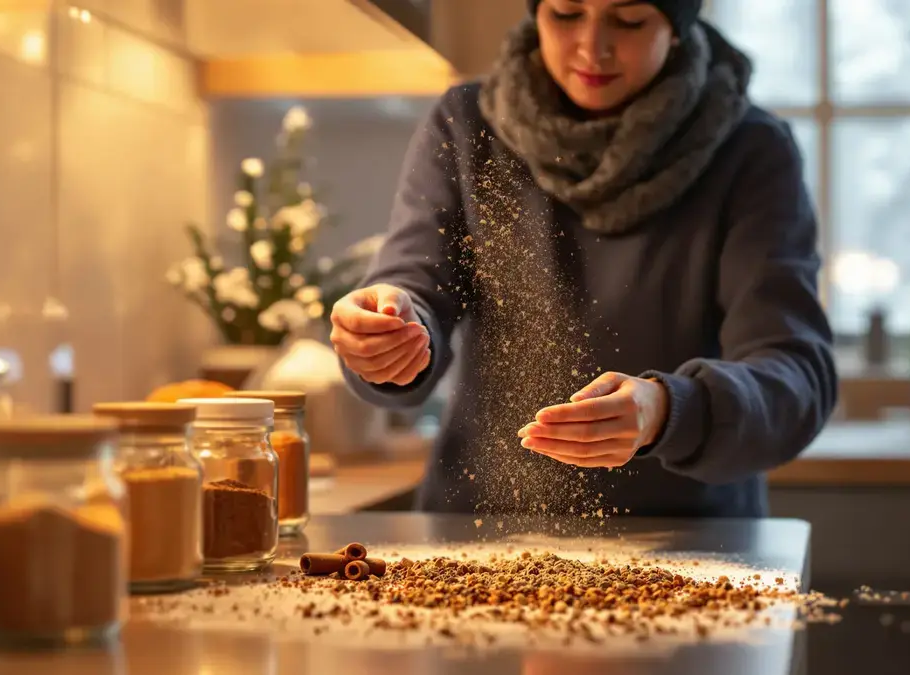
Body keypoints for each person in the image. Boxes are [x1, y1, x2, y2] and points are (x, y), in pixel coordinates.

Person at [328, 0, 838, 518]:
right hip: (481, 532)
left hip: (688, 542)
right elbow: (416, 287)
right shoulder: (468, 125)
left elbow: (796, 377)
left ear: (678, 27)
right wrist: (389, 333)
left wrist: (668, 410)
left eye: (630, 20)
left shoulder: (750, 150)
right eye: (566, 14)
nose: (593, 47)